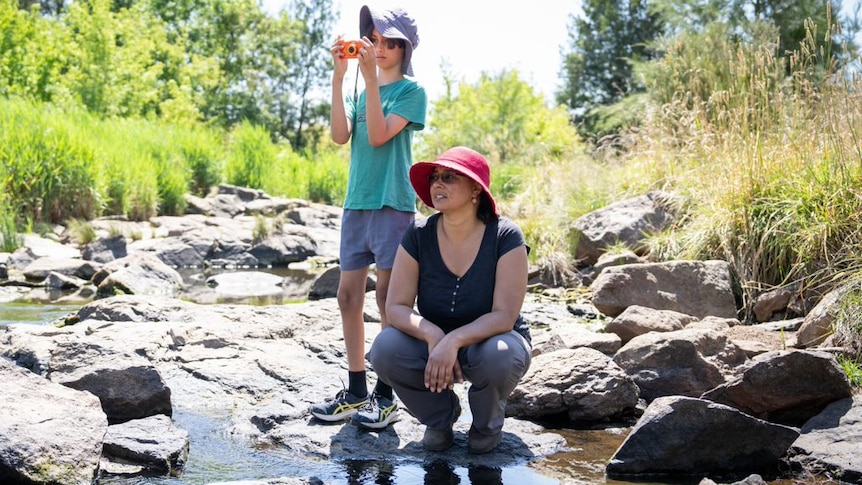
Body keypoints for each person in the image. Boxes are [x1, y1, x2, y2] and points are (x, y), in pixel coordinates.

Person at [368, 146, 532, 454]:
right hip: (433, 344)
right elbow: (396, 307)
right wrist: (433, 335)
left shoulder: (506, 236)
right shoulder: (417, 234)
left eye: (449, 177)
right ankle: (440, 418)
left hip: (494, 341)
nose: (437, 184)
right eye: (434, 178)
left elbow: (504, 316)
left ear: (475, 190)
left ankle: (486, 425)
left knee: (499, 355)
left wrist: (453, 341)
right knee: (385, 349)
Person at [309, 4, 426, 430]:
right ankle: (356, 390)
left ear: (402, 48)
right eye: (372, 38)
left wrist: (372, 82)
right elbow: (341, 136)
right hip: (356, 204)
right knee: (347, 298)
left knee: (387, 302)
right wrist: (341, 76)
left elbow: (378, 136)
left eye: (384, 40)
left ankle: (386, 395)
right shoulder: (361, 89)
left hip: (392, 205)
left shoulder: (412, 92)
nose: (376, 46)